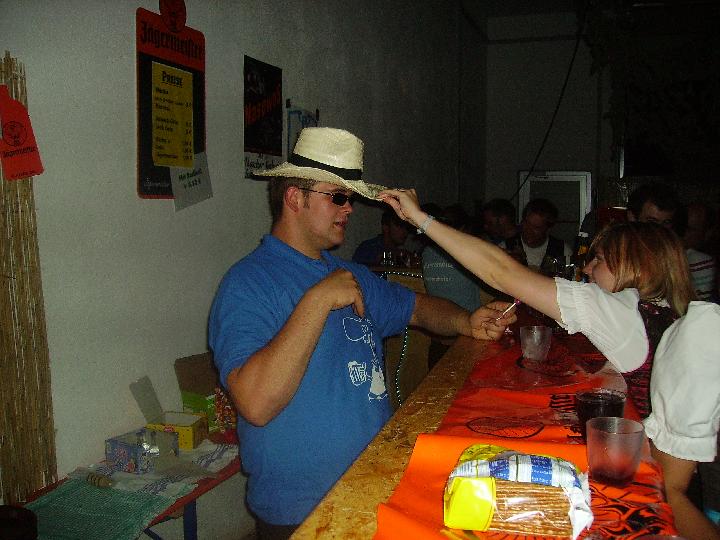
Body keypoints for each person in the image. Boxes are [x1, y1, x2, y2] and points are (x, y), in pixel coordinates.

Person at [208, 128, 515, 539]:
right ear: (294, 198)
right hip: (305, 511)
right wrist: (317, 301)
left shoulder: (350, 274)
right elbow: (256, 404)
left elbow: (417, 307)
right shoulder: (248, 283)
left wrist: (465, 321)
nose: (349, 209)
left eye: (350, 198)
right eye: (338, 197)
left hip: (376, 483)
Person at [379, 188, 718, 540]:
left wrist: (421, 219)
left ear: (633, 267)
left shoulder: (619, 311)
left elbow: (500, 271)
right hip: (679, 470)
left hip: (662, 484)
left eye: (599, 260)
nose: (587, 268)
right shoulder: (661, 309)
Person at [502, 198, 573, 271]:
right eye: (527, 224)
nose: (529, 230)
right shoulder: (505, 247)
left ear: (548, 229)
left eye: (536, 227)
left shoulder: (563, 251)